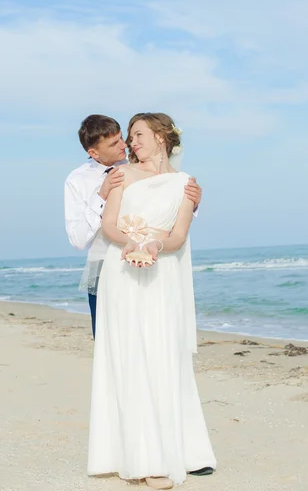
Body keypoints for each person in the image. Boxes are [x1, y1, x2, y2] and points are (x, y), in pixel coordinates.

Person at [87, 113, 216, 489]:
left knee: (165, 352)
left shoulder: (185, 184)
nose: (132, 143)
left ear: (162, 138)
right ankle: (143, 458)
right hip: (123, 268)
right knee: (131, 352)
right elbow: (109, 224)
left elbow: (179, 234)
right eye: (130, 137)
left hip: (163, 271)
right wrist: (131, 244)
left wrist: (156, 246)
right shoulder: (121, 176)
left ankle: (186, 450)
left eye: (139, 135)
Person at [64, 114, 202, 338]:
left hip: (153, 258)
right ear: (94, 153)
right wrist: (102, 194)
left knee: (152, 333)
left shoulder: (138, 164)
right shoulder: (77, 180)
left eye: (122, 138)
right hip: (105, 263)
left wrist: (193, 202)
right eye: (113, 143)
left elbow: (166, 206)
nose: (125, 145)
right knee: (110, 338)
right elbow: (78, 240)